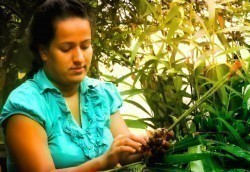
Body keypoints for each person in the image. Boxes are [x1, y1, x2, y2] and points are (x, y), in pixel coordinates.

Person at [0, 0, 146, 171]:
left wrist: (148, 147)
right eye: (66, 48)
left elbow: (125, 153)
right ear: (43, 51)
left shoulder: (100, 93)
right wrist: (103, 162)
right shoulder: (26, 105)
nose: (79, 58)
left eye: (85, 46)